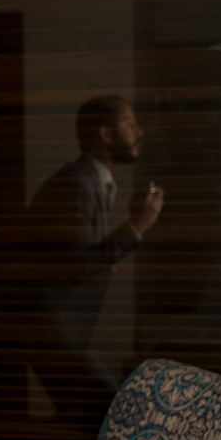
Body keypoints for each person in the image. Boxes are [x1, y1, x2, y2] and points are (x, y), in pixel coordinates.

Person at [27, 95, 163, 413]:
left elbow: (77, 258)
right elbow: (78, 265)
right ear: (106, 133)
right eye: (130, 124)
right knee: (117, 414)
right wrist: (136, 226)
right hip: (55, 337)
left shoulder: (93, 183)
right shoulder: (77, 185)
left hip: (67, 336)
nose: (139, 132)